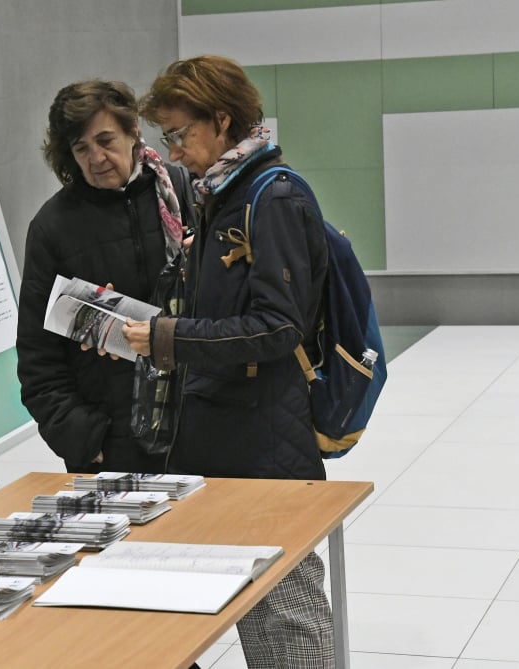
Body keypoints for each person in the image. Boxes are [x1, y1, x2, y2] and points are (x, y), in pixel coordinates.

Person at [124, 56, 334, 668]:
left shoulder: (273, 197)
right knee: (249, 609)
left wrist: (169, 337)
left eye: (179, 134)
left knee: (284, 622)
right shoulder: (222, 191)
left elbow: (278, 324)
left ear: (222, 120)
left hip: (265, 442)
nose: (174, 149)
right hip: (225, 431)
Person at [16, 79, 192, 474]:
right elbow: (37, 358)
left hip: (197, 430)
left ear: (133, 133)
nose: (96, 158)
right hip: (113, 446)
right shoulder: (52, 228)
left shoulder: (184, 193)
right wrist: (84, 439)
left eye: (106, 140)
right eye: (82, 148)